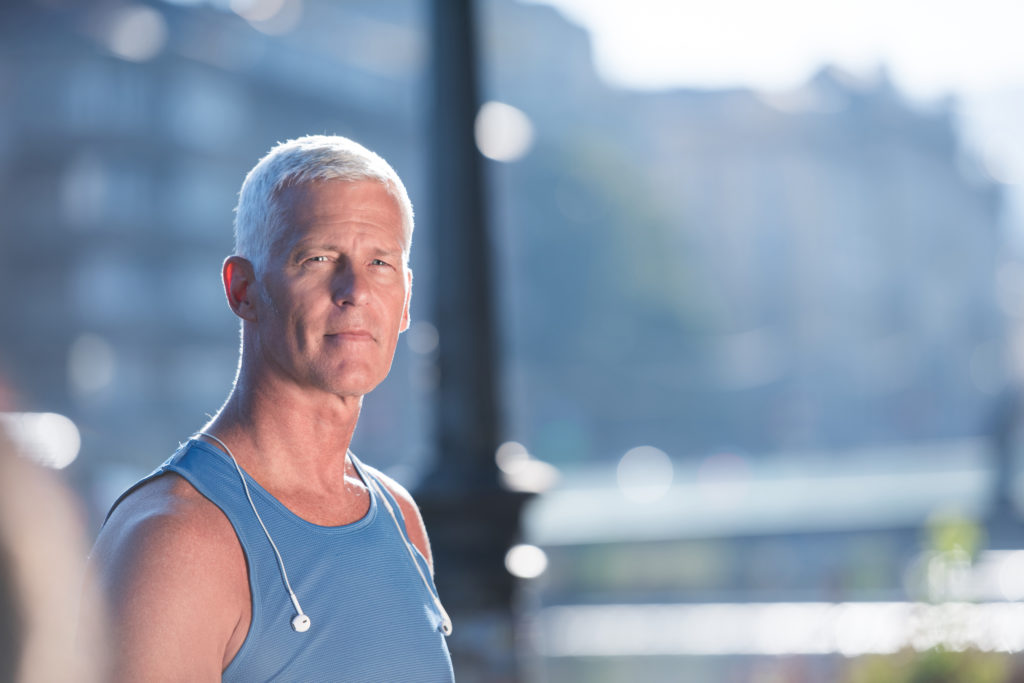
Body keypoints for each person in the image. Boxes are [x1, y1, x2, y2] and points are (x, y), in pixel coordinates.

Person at [89, 135, 455, 681]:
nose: (354, 290)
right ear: (243, 290)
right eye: (318, 258)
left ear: (404, 297)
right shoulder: (174, 540)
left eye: (380, 262)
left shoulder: (398, 517)